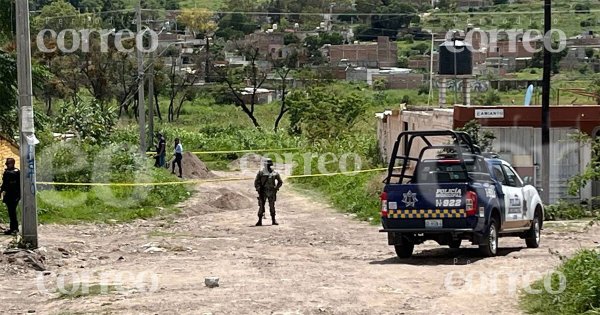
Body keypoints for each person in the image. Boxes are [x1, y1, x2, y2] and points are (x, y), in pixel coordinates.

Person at [254, 158, 283, 226]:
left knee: (272, 206)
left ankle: (273, 220)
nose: (267, 166)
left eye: (268, 164)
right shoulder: (261, 172)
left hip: (271, 191)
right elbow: (256, 182)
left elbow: (280, 182)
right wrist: (258, 189)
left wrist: (276, 188)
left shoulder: (274, 173)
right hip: (263, 191)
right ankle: (259, 220)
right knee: (261, 206)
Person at [0, 158, 20, 235]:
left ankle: (14, 228)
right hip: (11, 195)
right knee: (11, 212)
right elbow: (4, 184)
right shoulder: (16, 172)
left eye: (8, 163)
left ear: (12, 163)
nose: (7, 165)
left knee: (12, 212)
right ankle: (13, 228)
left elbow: (5, 184)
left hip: (13, 195)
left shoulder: (12, 172)